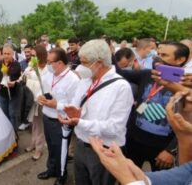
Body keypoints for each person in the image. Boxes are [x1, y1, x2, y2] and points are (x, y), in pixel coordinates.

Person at [58, 39, 134, 185]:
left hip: (104, 150)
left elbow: (114, 128)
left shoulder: (121, 87)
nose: (80, 67)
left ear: (99, 63)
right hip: (81, 144)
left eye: (85, 62)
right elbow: (76, 105)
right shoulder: (85, 81)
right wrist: (71, 114)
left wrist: (80, 122)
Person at [89, 90, 192, 185]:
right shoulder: (147, 75)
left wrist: (127, 178)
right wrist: (138, 177)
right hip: (136, 142)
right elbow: (184, 173)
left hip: (160, 147)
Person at [116, 42, 190, 172]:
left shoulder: (186, 86)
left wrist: (171, 151)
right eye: (158, 54)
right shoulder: (147, 74)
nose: (158, 58)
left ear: (180, 60)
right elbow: (119, 72)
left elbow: (187, 124)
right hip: (134, 142)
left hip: (162, 150)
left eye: (165, 55)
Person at [37, 48, 80, 185]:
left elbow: (75, 104)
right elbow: (41, 88)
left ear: (60, 63)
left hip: (61, 121)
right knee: (50, 146)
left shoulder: (73, 80)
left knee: (61, 150)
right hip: (46, 116)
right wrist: (39, 96)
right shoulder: (50, 73)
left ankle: (62, 176)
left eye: (50, 62)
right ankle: (51, 169)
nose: (47, 64)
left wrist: (57, 105)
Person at [23, 45, 48, 160]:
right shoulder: (31, 66)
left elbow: (44, 85)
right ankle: (33, 143)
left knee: (40, 126)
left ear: (41, 56)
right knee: (34, 124)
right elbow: (24, 76)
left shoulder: (47, 69)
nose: (31, 58)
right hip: (32, 99)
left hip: (41, 101)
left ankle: (39, 148)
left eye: (34, 56)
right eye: (31, 55)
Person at [0, 43, 23, 130]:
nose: (6, 56)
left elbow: (21, 78)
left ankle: (14, 135)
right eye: (4, 53)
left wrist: (14, 82)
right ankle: (6, 134)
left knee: (12, 114)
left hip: (14, 94)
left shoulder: (17, 64)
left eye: (8, 54)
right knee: (4, 114)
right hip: (2, 93)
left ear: (12, 54)